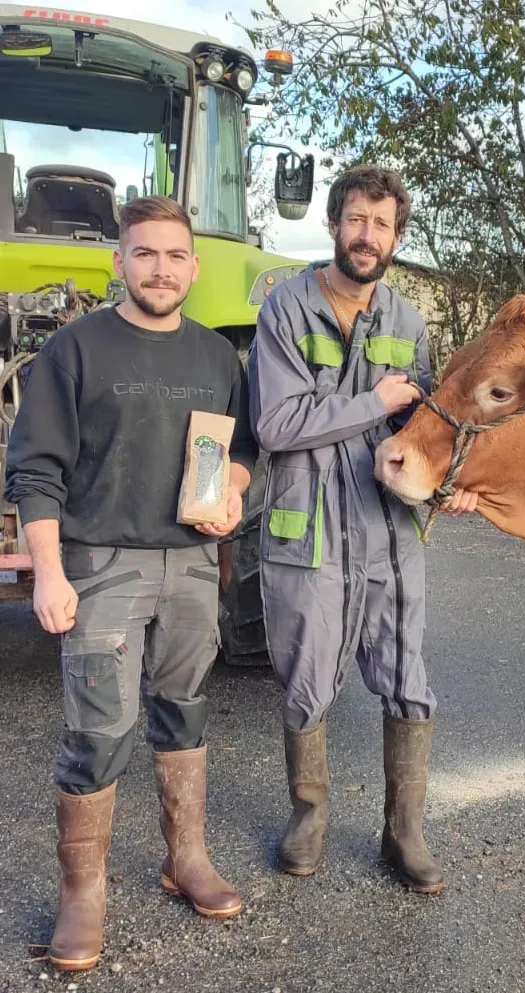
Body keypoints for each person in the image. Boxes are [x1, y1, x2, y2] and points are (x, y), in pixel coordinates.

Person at [3, 195, 257, 971]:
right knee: (99, 730)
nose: (160, 269)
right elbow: (35, 471)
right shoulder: (74, 352)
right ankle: (84, 893)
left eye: (175, 256)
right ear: (119, 261)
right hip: (101, 564)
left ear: (194, 265)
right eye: (144, 254)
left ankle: (187, 859)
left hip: (188, 565)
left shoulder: (218, 358)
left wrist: (235, 491)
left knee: (184, 710)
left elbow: (244, 450)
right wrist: (47, 571)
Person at [248, 164, 476, 894]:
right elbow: (277, 424)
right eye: (355, 218)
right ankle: (308, 817)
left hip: (388, 534)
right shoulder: (283, 309)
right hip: (308, 529)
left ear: (397, 237)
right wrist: (373, 401)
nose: (366, 234)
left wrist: (451, 489)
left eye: (381, 224)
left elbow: (429, 432)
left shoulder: (409, 323)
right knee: (307, 679)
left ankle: (403, 832)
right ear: (333, 224)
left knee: (409, 679)